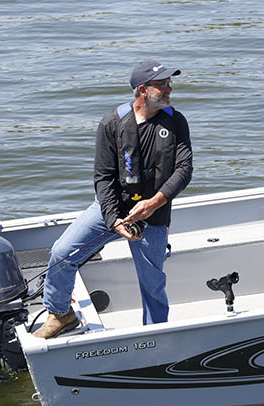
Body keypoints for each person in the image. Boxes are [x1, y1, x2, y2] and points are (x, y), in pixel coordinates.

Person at [32, 60, 193, 339]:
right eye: (163, 84)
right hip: (112, 208)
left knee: (152, 283)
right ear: (143, 90)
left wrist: (155, 202)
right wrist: (112, 219)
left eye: (170, 83)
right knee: (62, 253)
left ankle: (156, 338)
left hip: (153, 212)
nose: (170, 88)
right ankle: (60, 314)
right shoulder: (112, 123)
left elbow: (184, 169)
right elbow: (103, 178)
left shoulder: (176, 121)